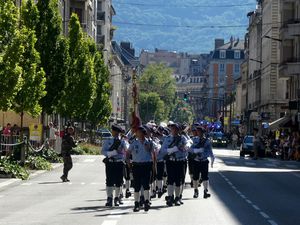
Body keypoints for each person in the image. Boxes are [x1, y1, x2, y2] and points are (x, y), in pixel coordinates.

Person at [127, 126, 155, 212]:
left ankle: (146, 201)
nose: (137, 133)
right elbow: (128, 153)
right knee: (137, 186)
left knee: (146, 184)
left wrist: (153, 166)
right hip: (136, 166)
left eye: (139, 132)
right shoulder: (134, 143)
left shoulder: (149, 142)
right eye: (137, 132)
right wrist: (128, 162)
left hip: (146, 165)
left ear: (143, 133)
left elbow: (153, 153)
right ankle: (136, 203)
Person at [161, 123, 188, 207]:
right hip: (171, 161)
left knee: (178, 180)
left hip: (180, 161)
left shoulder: (183, 138)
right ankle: (170, 197)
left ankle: (177, 198)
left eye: (176, 129)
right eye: (173, 129)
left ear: (179, 130)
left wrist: (184, 147)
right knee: (170, 180)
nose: (174, 130)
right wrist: (172, 150)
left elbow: (188, 146)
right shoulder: (167, 138)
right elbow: (163, 150)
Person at [102, 124, 128, 207]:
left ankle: (116, 198)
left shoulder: (122, 141)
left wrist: (124, 147)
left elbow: (127, 149)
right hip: (110, 162)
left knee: (118, 181)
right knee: (109, 181)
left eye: (117, 132)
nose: (115, 133)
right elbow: (103, 151)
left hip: (119, 162)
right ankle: (109, 198)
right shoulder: (108, 140)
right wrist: (111, 153)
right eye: (114, 131)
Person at [190, 126, 215, 199]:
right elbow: (189, 149)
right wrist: (196, 151)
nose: (198, 133)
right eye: (197, 131)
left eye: (199, 131)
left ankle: (205, 191)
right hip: (196, 161)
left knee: (205, 177)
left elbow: (210, 151)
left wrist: (212, 158)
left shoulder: (207, 141)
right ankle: (195, 190)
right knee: (195, 177)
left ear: (203, 132)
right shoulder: (194, 140)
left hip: (204, 160)